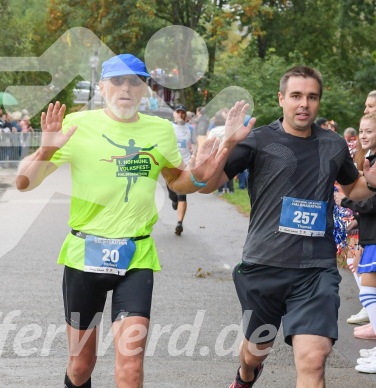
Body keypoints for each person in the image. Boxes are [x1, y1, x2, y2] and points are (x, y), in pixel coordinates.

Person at [16, 53, 235, 388]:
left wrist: (201, 175)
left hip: (135, 258)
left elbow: (178, 181)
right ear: (103, 87)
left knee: (131, 366)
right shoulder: (77, 124)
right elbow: (24, 182)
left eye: (135, 81)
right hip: (83, 255)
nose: (126, 88)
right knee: (80, 365)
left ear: (144, 89)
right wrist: (45, 150)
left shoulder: (160, 131)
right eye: (117, 81)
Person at [199, 65, 376, 387]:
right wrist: (225, 144)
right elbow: (208, 185)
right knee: (255, 350)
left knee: (313, 358)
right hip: (264, 263)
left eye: (312, 97)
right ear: (281, 99)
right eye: (296, 96)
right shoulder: (257, 141)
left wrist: (372, 184)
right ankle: (245, 374)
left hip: (315, 269)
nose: (304, 104)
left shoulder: (333, 145)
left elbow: (353, 189)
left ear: (319, 102)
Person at [334, 113, 376, 372]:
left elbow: (373, 201)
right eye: (361, 131)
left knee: (368, 289)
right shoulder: (369, 159)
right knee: (368, 288)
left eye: (369, 131)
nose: (363, 135)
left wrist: (346, 202)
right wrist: (356, 221)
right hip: (371, 233)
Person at [167, 104, 198, 235]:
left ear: (185, 115)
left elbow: (195, 142)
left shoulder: (190, 128)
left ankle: (180, 223)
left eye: (183, 112)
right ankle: (174, 200)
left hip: (184, 165)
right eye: (178, 112)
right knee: (172, 193)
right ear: (174, 114)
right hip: (170, 165)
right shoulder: (168, 127)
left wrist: (194, 152)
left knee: (182, 194)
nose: (180, 114)